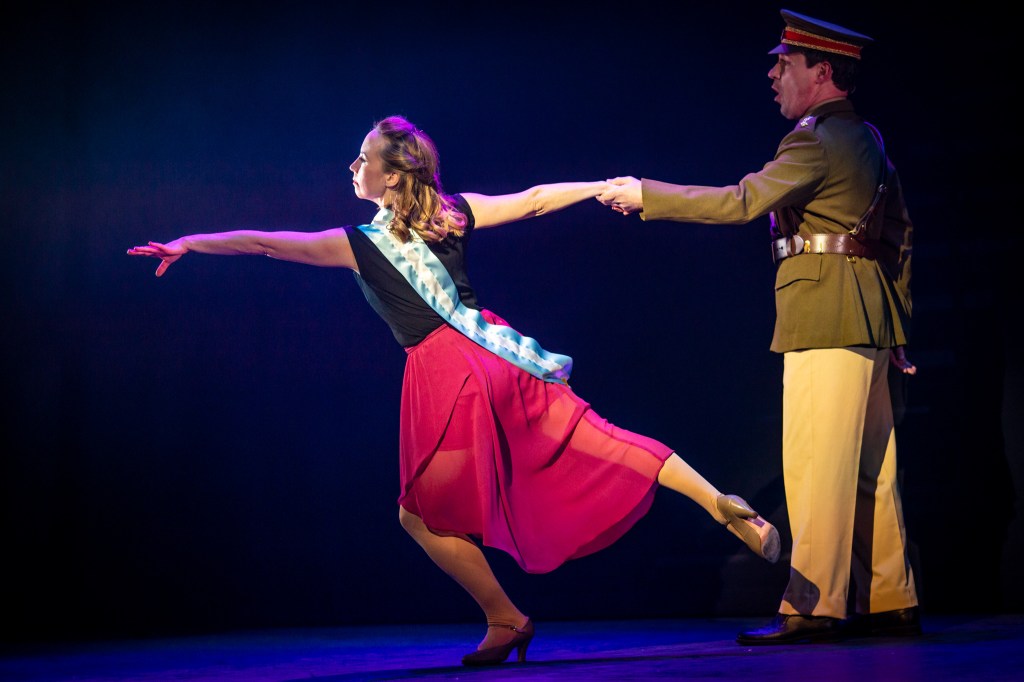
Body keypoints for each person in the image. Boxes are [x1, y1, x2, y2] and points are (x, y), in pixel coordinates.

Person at [129, 114, 780, 666]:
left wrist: (191, 243)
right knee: (600, 438)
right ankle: (720, 502)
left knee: (419, 514)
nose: (353, 167)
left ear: (390, 177)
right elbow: (533, 199)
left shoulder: (358, 245)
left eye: (362, 159)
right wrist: (599, 187)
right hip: (500, 354)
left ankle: (506, 617)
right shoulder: (453, 214)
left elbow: (267, 245)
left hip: (447, 375)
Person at [597, 9, 920, 645]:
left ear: (821, 72)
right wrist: (897, 325)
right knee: (869, 470)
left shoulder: (812, 140)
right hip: (868, 318)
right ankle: (889, 598)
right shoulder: (867, 137)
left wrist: (647, 195)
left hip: (825, 315)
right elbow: (899, 237)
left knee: (816, 466)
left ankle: (814, 606)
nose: (773, 74)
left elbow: (742, 201)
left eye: (785, 63)